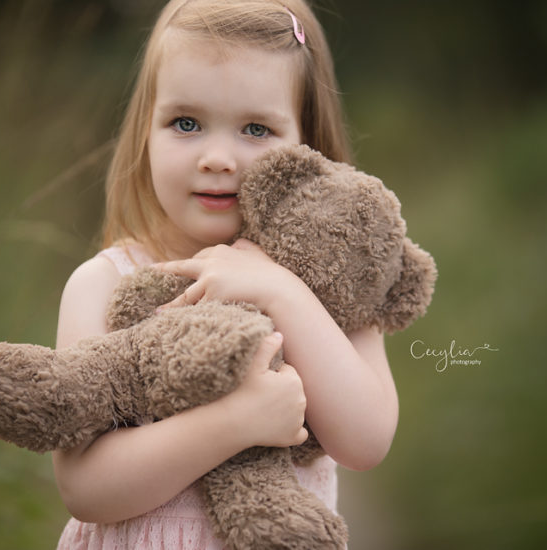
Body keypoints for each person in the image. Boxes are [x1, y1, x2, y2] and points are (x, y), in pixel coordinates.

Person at [53, 1, 399, 548]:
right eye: (185, 123)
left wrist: (282, 291)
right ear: (147, 129)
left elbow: (367, 439)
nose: (217, 157)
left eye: (256, 128)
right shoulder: (103, 284)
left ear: (307, 145)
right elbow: (84, 487)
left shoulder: (331, 287)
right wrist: (237, 423)